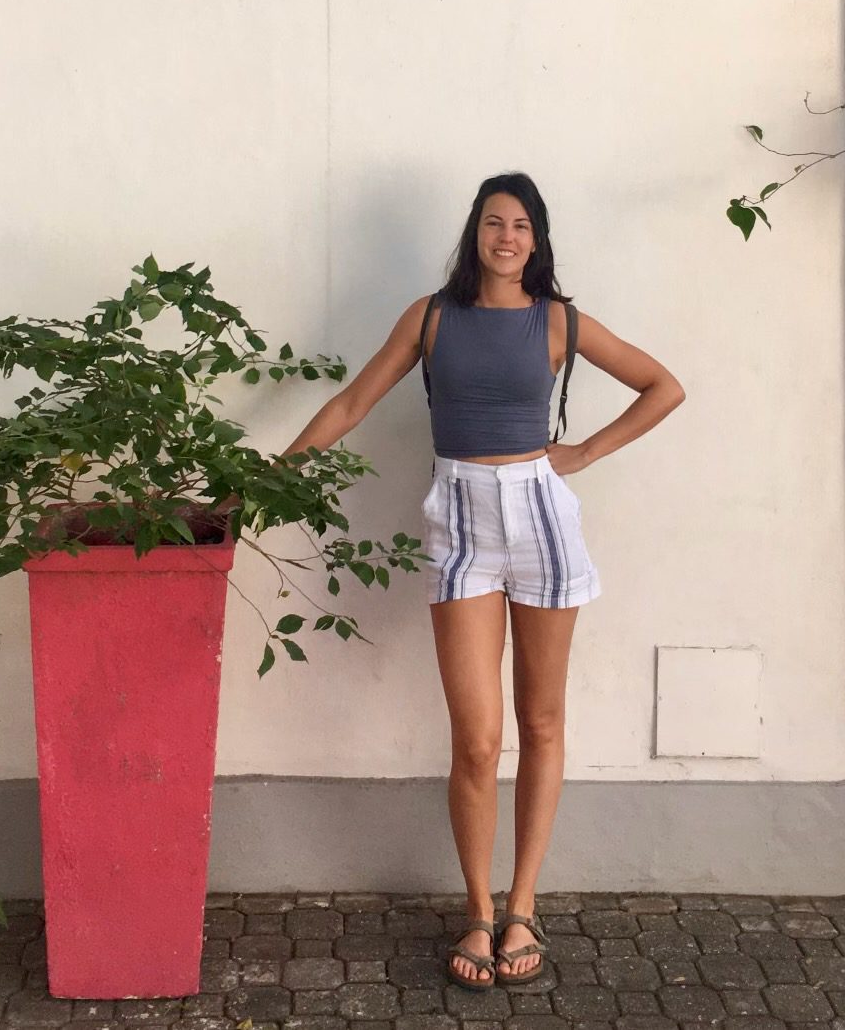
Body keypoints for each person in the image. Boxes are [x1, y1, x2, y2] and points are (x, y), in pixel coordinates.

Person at [277, 171, 686, 991]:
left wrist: (582, 453)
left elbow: (663, 387)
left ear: (537, 241)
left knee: (540, 720)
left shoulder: (559, 320)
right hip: (460, 521)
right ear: (475, 233)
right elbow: (355, 401)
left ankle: (523, 905)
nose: (507, 236)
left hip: (540, 517)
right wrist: (269, 478)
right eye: (494, 222)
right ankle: (474, 906)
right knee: (476, 737)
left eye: (522, 225)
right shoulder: (431, 317)